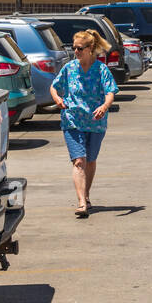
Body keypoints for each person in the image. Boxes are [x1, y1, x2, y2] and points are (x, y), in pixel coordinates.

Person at [49, 29, 117, 218]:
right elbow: (54, 87)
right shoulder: (69, 68)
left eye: (80, 48)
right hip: (72, 120)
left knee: (90, 160)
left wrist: (104, 106)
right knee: (79, 161)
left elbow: (110, 91)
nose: (76, 51)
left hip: (96, 122)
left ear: (90, 48)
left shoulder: (101, 69)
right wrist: (57, 99)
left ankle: (86, 195)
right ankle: (81, 202)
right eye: (74, 48)